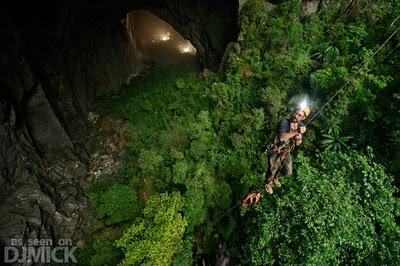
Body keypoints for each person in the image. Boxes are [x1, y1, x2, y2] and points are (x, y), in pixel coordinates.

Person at [265, 105, 310, 194]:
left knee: (288, 171)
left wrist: (298, 138)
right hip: (275, 148)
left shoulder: (301, 125)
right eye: (296, 113)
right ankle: (268, 183)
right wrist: (296, 131)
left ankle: (276, 177)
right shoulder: (284, 122)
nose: (296, 116)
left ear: (303, 118)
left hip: (285, 151)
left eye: (299, 115)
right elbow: (282, 138)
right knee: (272, 169)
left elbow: (298, 144)